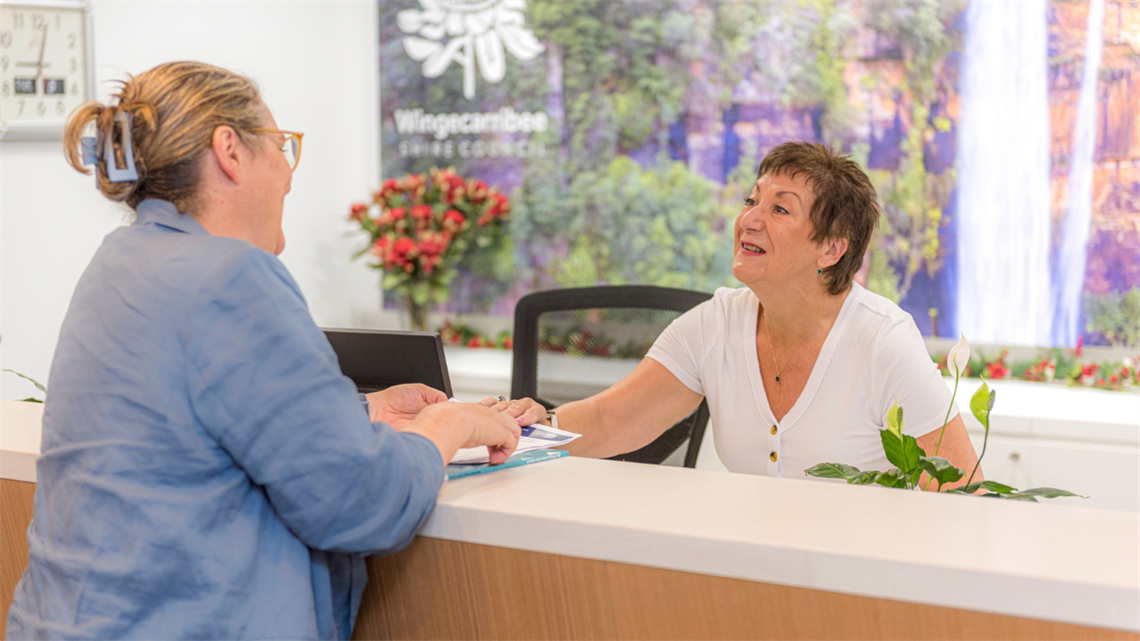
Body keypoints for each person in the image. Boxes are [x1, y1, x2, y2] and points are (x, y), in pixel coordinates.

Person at [6, 61, 544, 640]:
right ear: (230, 151)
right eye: (282, 146)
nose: (289, 174)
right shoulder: (231, 276)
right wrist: (446, 425)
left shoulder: (121, 260)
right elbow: (365, 504)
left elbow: (178, 426)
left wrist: (357, 415)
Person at [513, 142, 982, 486]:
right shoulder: (714, 324)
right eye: (752, 200)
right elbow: (610, 419)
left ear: (832, 249)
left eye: (780, 209)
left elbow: (963, 489)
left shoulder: (884, 342)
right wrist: (527, 432)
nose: (750, 219)